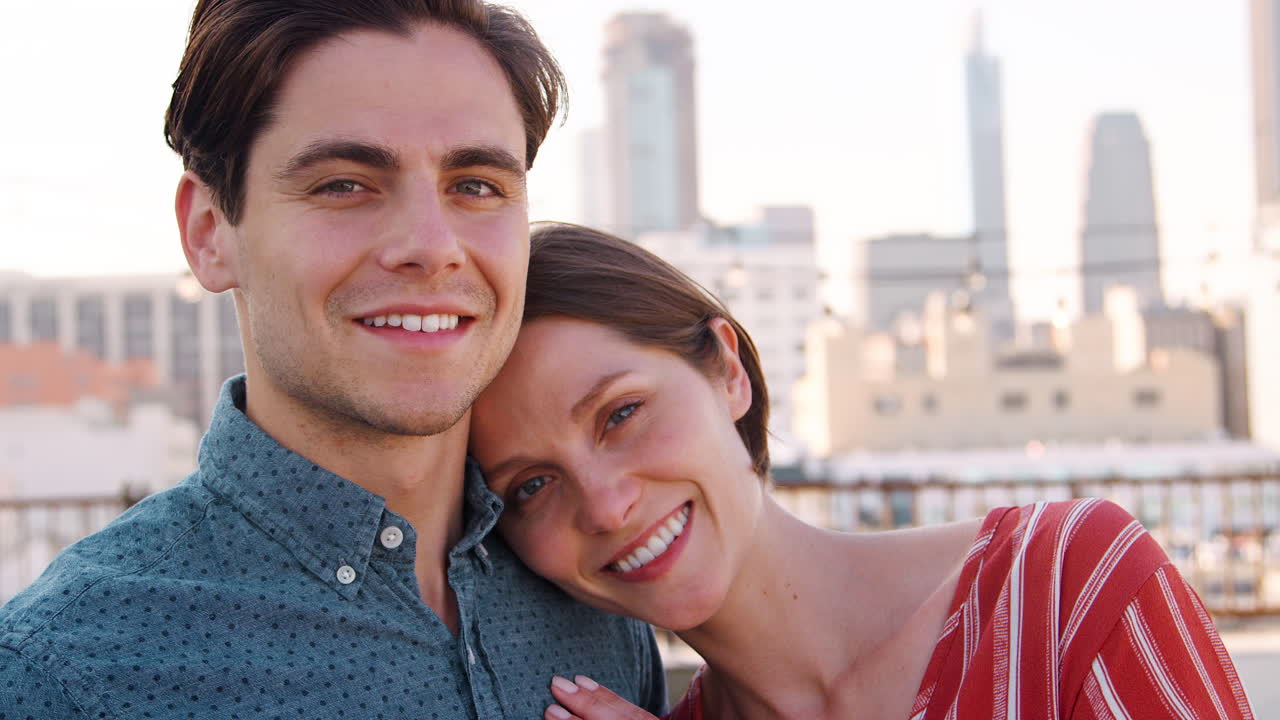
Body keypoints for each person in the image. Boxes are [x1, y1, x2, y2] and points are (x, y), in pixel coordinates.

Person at [0, 3, 666, 717]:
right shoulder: (67, 672)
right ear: (208, 232)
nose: (431, 244)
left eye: (475, 184)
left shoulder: (597, 590)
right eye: (343, 183)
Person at [468, 223, 1256, 720]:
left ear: (728, 372)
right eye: (531, 486)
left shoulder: (1065, 590)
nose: (604, 506)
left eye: (621, 414)